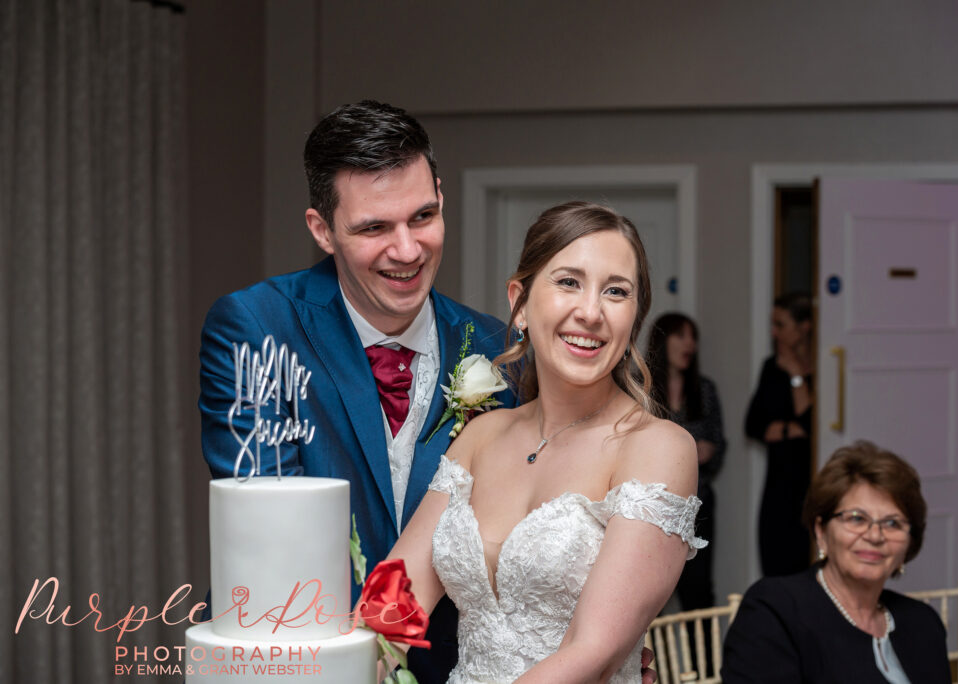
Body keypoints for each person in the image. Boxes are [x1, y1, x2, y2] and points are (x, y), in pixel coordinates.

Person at [198, 101, 514, 683]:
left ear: (442, 196)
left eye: (422, 216)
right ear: (322, 230)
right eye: (374, 227)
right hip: (301, 662)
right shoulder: (258, 327)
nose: (407, 250)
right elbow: (274, 528)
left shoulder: (497, 346)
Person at [383, 201, 705, 683]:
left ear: (634, 316)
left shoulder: (658, 448)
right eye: (568, 282)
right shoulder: (481, 435)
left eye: (616, 292)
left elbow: (591, 654)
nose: (591, 312)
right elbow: (394, 601)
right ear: (520, 301)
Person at [721, 441, 951, 683]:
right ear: (821, 531)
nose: (875, 536)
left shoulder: (924, 623)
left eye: (893, 523)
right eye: (856, 518)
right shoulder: (772, 611)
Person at [646, 312, 725, 612]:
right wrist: (690, 447)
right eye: (681, 335)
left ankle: (701, 659)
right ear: (663, 341)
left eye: (694, 337)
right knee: (650, 590)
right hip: (654, 504)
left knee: (699, 589)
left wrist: (711, 451)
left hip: (699, 502)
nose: (690, 344)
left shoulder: (705, 390)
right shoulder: (641, 387)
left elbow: (719, 447)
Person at [744, 292, 815, 576]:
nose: (773, 332)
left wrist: (797, 375)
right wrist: (791, 428)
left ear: (804, 327)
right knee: (775, 566)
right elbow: (753, 426)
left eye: (780, 325)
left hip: (810, 481)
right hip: (777, 486)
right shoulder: (771, 368)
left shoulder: (825, 367)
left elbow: (813, 427)